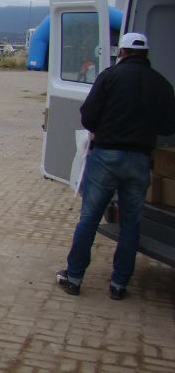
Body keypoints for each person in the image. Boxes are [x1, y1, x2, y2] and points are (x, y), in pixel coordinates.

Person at [57, 32, 175, 300]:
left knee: (89, 217)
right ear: (146, 55)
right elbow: (169, 126)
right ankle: (119, 284)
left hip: (106, 155)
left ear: (121, 52)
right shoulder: (161, 83)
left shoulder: (110, 77)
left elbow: (88, 116)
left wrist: (103, 129)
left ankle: (74, 277)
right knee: (131, 223)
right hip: (140, 159)